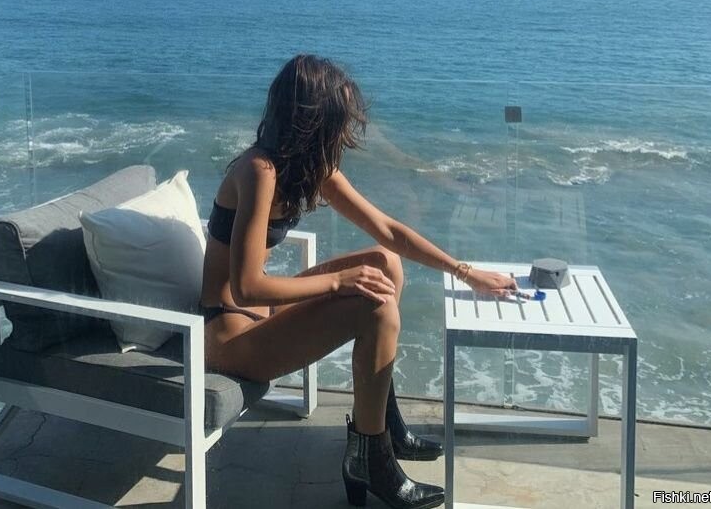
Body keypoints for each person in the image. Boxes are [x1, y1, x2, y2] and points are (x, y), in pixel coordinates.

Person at [200, 54, 518, 509]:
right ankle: (371, 459)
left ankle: (381, 427)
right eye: (341, 118)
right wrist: (338, 282)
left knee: (385, 262)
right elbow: (246, 285)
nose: (347, 129)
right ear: (314, 118)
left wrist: (466, 273)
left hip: (259, 315)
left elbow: (389, 231)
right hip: (228, 336)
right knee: (375, 307)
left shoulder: (310, 168)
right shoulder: (259, 171)